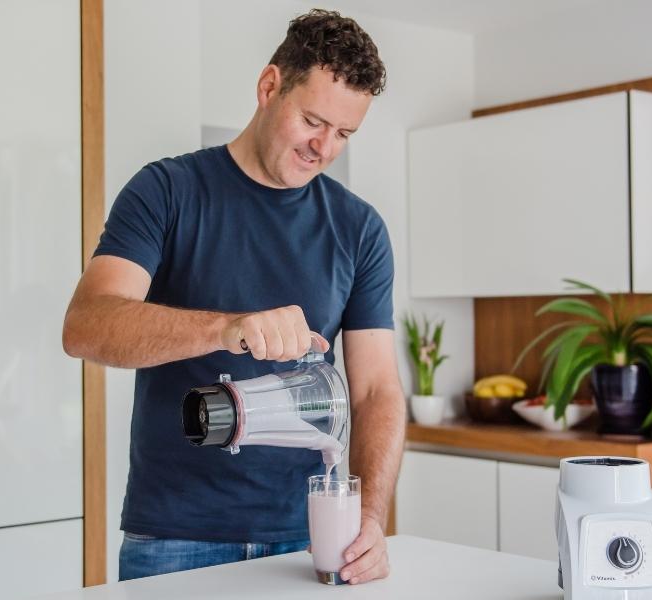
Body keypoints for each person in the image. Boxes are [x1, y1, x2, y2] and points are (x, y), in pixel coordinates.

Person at [62, 9, 404, 585]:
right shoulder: (167, 190)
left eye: (344, 134)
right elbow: (87, 326)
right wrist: (226, 329)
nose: (323, 147)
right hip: (173, 536)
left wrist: (368, 516)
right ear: (270, 86)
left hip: (310, 537)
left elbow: (374, 390)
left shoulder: (359, 229)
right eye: (313, 120)